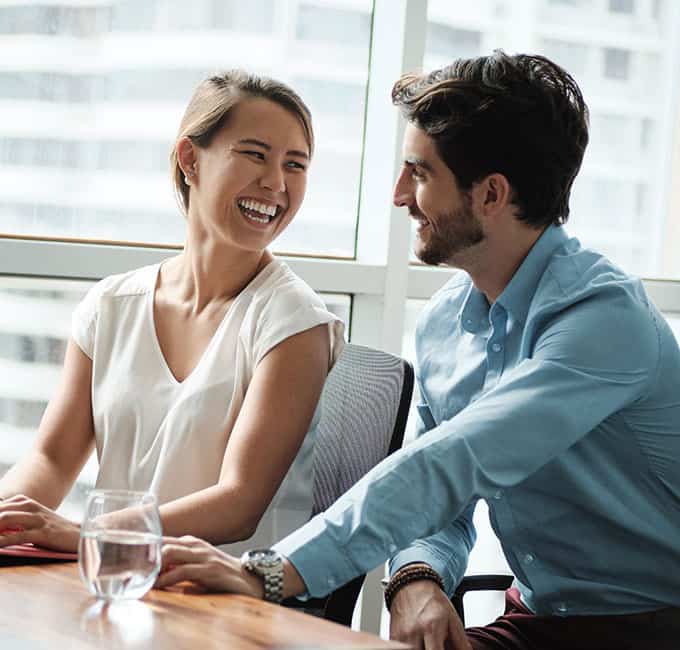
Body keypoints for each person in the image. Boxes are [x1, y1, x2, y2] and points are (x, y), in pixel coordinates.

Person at [153, 52, 680, 650]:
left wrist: (269, 573)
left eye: (419, 174)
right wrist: (416, 576)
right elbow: (439, 501)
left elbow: (457, 460)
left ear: (490, 194)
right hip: (537, 616)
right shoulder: (444, 328)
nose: (399, 196)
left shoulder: (604, 321)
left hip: (658, 622)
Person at [0, 71, 344, 556]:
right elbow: (51, 460)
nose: (275, 182)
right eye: (255, 154)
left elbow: (239, 501)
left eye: (296, 165)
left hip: (223, 605)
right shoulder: (111, 306)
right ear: (190, 159)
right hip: (113, 582)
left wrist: (86, 535)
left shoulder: (294, 323)